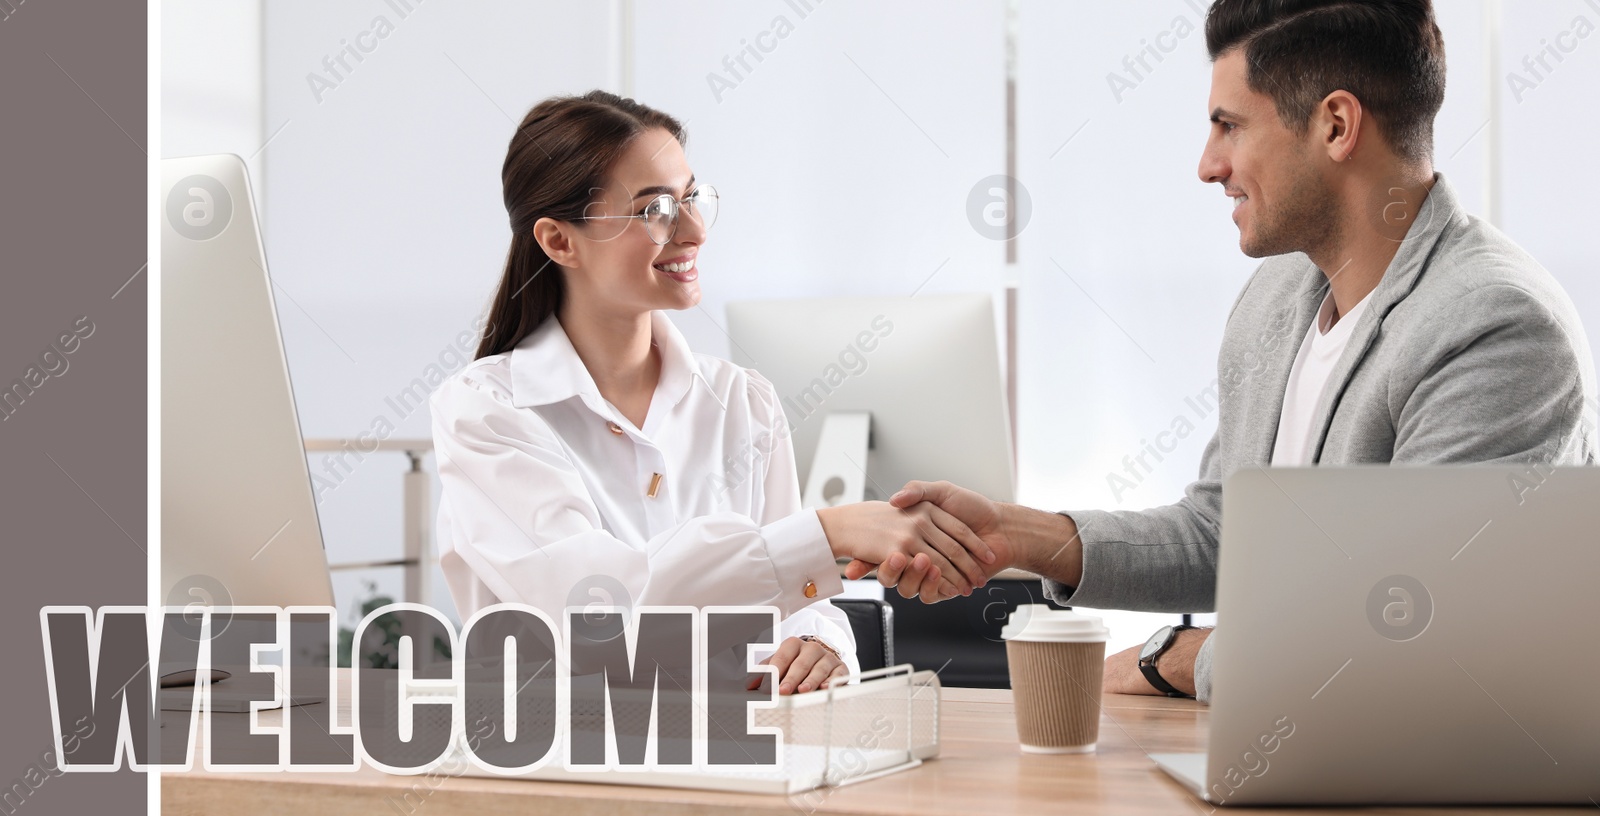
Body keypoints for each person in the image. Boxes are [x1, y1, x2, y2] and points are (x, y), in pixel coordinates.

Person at [869, 0, 1597, 701]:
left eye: (1228, 126)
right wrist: (1013, 535)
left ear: (1337, 125)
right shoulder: (1281, 294)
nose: (1207, 165)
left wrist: (1180, 658)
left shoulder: (1496, 327)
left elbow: (1410, 632)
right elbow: (1224, 536)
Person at [429, 91, 997, 696]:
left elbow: (792, 602)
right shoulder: (486, 411)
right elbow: (598, 619)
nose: (693, 230)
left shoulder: (741, 400)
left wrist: (819, 644)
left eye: (692, 199)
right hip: (571, 762)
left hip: (741, 757)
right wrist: (827, 534)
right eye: (655, 211)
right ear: (559, 241)